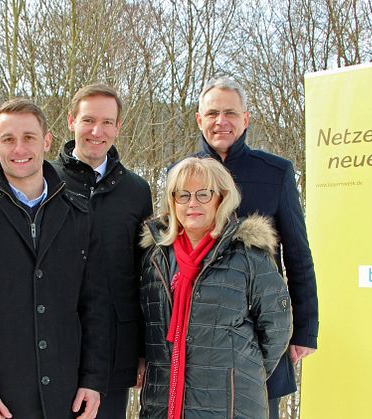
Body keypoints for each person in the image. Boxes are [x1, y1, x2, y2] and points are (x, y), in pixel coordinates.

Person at [0, 98, 110, 419]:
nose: (20, 148)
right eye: (8, 139)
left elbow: (97, 307)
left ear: (46, 141)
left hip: (66, 396)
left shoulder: (80, 216)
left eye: (29, 137)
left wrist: (94, 380)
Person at [192, 76, 319, 418]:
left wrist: (305, 329)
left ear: (245, 119)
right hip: (199, 336)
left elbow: (298, 255)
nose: (222, 121)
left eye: (231, 113)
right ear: (199, 119)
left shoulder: (275, 172)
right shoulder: (182, 175)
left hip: (260, 332)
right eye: (213, 113)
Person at [138, 157, 292, 418]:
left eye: (203, 194)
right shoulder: (156, 256)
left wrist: (242, 368)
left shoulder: (248, 254)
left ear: (222, 198)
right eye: (183, 195)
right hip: (163, 401)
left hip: (231, 403)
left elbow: (277, 327)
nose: (192, 203)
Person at [52, 83, 153, 418]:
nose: (98, 131)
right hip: (52, 343)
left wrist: (141, 349)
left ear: (118, 127)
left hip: (114, 348)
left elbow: (144, 274)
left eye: (108, 122)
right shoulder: (44, 180)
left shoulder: (137, 191)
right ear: (71, 121)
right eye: (88, 120)